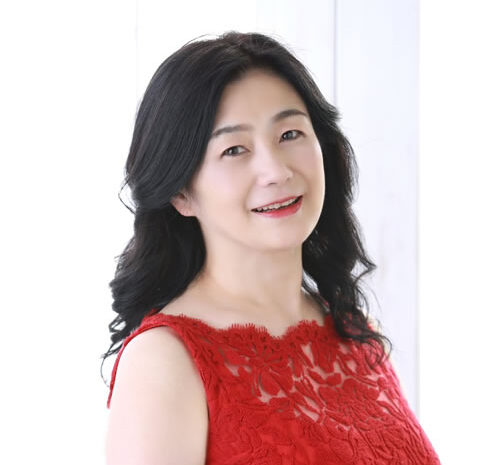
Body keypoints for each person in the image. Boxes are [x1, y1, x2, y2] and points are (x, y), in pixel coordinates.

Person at [103, 31, 440, 465]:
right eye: (234, 149)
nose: (276, 171)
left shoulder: (354, 331)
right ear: (181, 193)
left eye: (290, 134)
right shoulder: (163, 361)